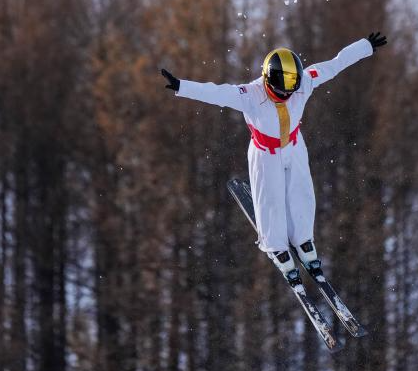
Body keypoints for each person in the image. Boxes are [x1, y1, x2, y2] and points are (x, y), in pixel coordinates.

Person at [160, 32, 387, 283]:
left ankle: (303, 239)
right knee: (271, 199)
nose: (288, 92)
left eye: (292, 86)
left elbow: (333, 65)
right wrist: (181, 86)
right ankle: (276, 246)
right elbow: (217, 93)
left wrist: (364, 47)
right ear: (269, 80)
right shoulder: (250, 94)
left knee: (302, 193)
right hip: (265, 153)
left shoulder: (304, 83)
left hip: (294, 145)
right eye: (283, 87)